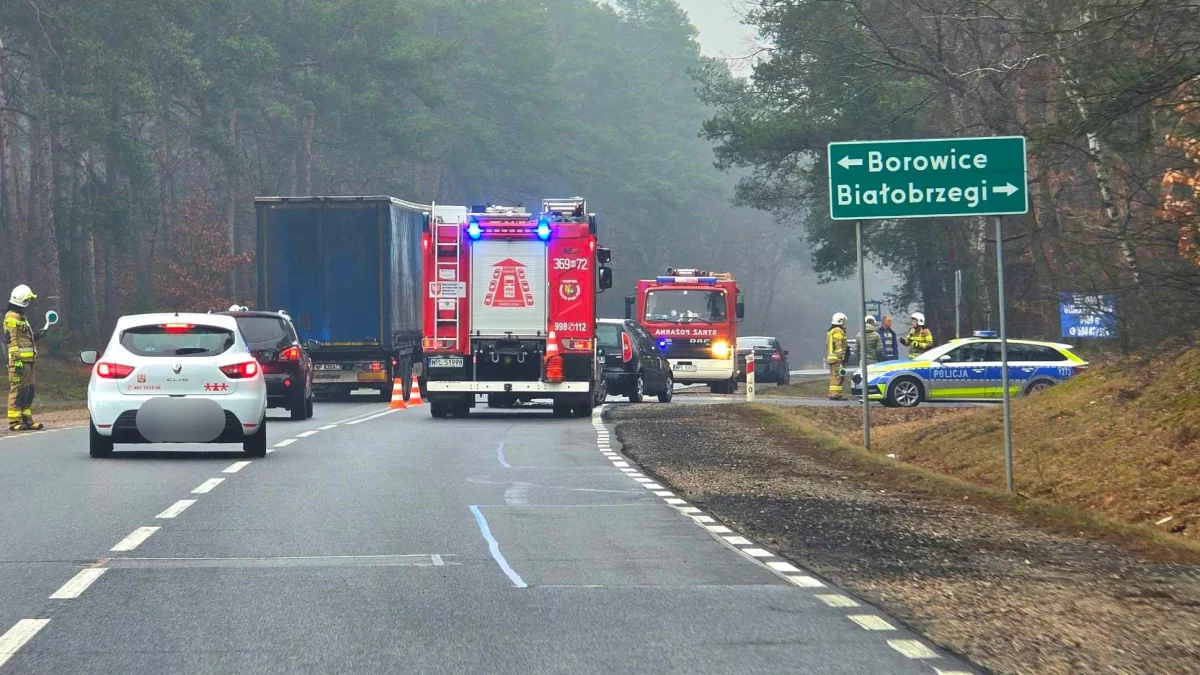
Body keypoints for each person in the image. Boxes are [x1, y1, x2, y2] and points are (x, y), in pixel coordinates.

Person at [5, 285, 44, 431]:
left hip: (29, 362)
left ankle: (27, 420)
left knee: (29, 390)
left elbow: (24, 339)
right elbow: (11, 341)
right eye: (27, 300)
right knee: (18, 391)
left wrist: (36, 336)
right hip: (19, 362)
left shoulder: (22, 317)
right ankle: (14, 422)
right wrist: (17, 361)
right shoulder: (11, 318)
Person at [826, 312, 849, 400]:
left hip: (832, 357)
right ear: (840, 321)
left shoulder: (831, 330)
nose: (844, 323)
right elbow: (838, 345)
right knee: (837, 376)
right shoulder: (837, 330)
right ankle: (836, 394)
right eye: (843, 321)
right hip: (836, 358)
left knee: (833, 376)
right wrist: (840, 357)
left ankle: (833, 393)